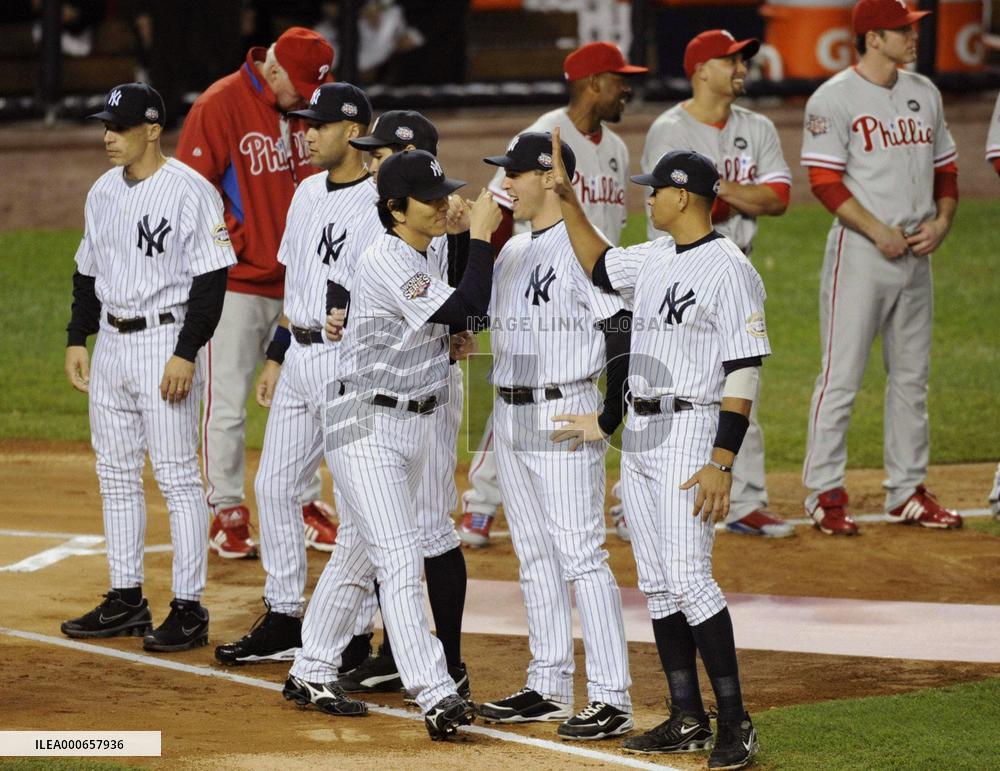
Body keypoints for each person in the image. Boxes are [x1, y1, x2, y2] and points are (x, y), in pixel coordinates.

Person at [551, 131, 766, 768]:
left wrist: (721, 461)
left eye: (655, 192)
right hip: (644, 436)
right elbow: (597, 263)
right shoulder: (657, 256)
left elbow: (745, 369)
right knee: (658, 585)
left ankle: (736, 722)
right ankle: (685, 716)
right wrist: (568, 201)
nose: (647, 200)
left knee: (691, 579)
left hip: (693, 434)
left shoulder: (730, 269)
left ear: (683, 195)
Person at [282, 151, 501, 741]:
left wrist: (458, 237)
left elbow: (458, 315)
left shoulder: (422, 247)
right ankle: (435, 693)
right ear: (394, 209)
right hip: (365, 425)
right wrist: (478, 236)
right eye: (431, 200)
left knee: (357, 550)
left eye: (444, 194)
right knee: (401, 558)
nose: (443, 204)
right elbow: (467, 305)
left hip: (411, 424)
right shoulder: (383, 258)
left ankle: (310, 668)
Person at [61, 84, 236, 652]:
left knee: (179, 478)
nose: (108, 137)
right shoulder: (103, 192)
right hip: (111, 344)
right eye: (104, 126)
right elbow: (87, 271)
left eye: (119, 126)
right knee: (115, 476)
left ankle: (188, 608)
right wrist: (76, 337)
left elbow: (211, 282)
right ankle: (126, 598)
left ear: (154, 129)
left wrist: (187, 351)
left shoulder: (190, 191)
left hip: (166, 340)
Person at [474, 132, 634, 740]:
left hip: (565, 411)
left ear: (548, 177)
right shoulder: (513, 251)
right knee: (534, 554)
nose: (503, 184)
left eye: (513, 174)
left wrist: (607, 418)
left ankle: (612, 697)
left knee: (581, 555)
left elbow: (622, 329)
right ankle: (548, 683)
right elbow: (472, 310)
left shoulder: (582, 248)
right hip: (511, 417)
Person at [213, 82, 377, 666]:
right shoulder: (306, 193)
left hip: (349, 363)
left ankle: (356, 631)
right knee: (274, 486)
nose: (305, 134)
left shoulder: (381, 203)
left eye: (319, 126)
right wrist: (278, 355)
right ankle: (285, 612)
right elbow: (296, 283)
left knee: (358, 498)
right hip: (301, 358)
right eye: (304, 124)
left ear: (354, 132)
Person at [460, 40, 647, 548]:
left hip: (593, 275)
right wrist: (492, 271)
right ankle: (481, 500)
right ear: (593, 83)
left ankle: (627, 496)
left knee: (576, 381)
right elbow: (497, 210)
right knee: (524, 381)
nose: (627, 86)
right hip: (539, 268)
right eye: (618, 77)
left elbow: (611, 225)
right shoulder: (542, 135)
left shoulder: (615, 147)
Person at [323, 111, 474, 698]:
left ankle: (444, 666)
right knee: (376, 541)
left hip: (427, 393)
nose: (370, 163)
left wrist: (467, 241)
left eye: (380, 154)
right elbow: (363, 287)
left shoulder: (438, 217)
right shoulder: (387, 223)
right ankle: (370, 655)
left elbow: (464, 306)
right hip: (374, 403)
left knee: (426, 529)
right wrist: (344, 312)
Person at [175, 26, 339, 559]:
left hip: (301, 283)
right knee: (228, 402)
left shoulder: (308, 108)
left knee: (309, 398)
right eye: (299, 88)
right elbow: (190, 199)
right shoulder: (219, 106)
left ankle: (304, 502)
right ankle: (225, 507)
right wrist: (239, 245)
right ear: (271, 69)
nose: (307, 101)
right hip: (239, 284)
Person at [800, 0, 962, 535]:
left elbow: (946, 169)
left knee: (912, 379)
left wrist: (941, 222)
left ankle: (907, 491)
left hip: (918, 254)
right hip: (861, 253)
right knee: (841, 378)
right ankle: (824, 494)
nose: (915, 36)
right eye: (903, 29)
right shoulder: (835, 98)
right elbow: (824, 181)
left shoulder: (924, 93)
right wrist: (877, 230)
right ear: (873, 38)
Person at [640, 29, 793, 539]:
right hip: (679, 269)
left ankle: (746, 497)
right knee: (672, 385)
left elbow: (778, 198)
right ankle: (636, 491)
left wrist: (711, 187)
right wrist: (729, 196)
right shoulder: (669, 129)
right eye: (731, 60)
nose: (742, 67)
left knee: (741, 382)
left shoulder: (759, 126)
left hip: (735, 266)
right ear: (702, 69)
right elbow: (686, 211)